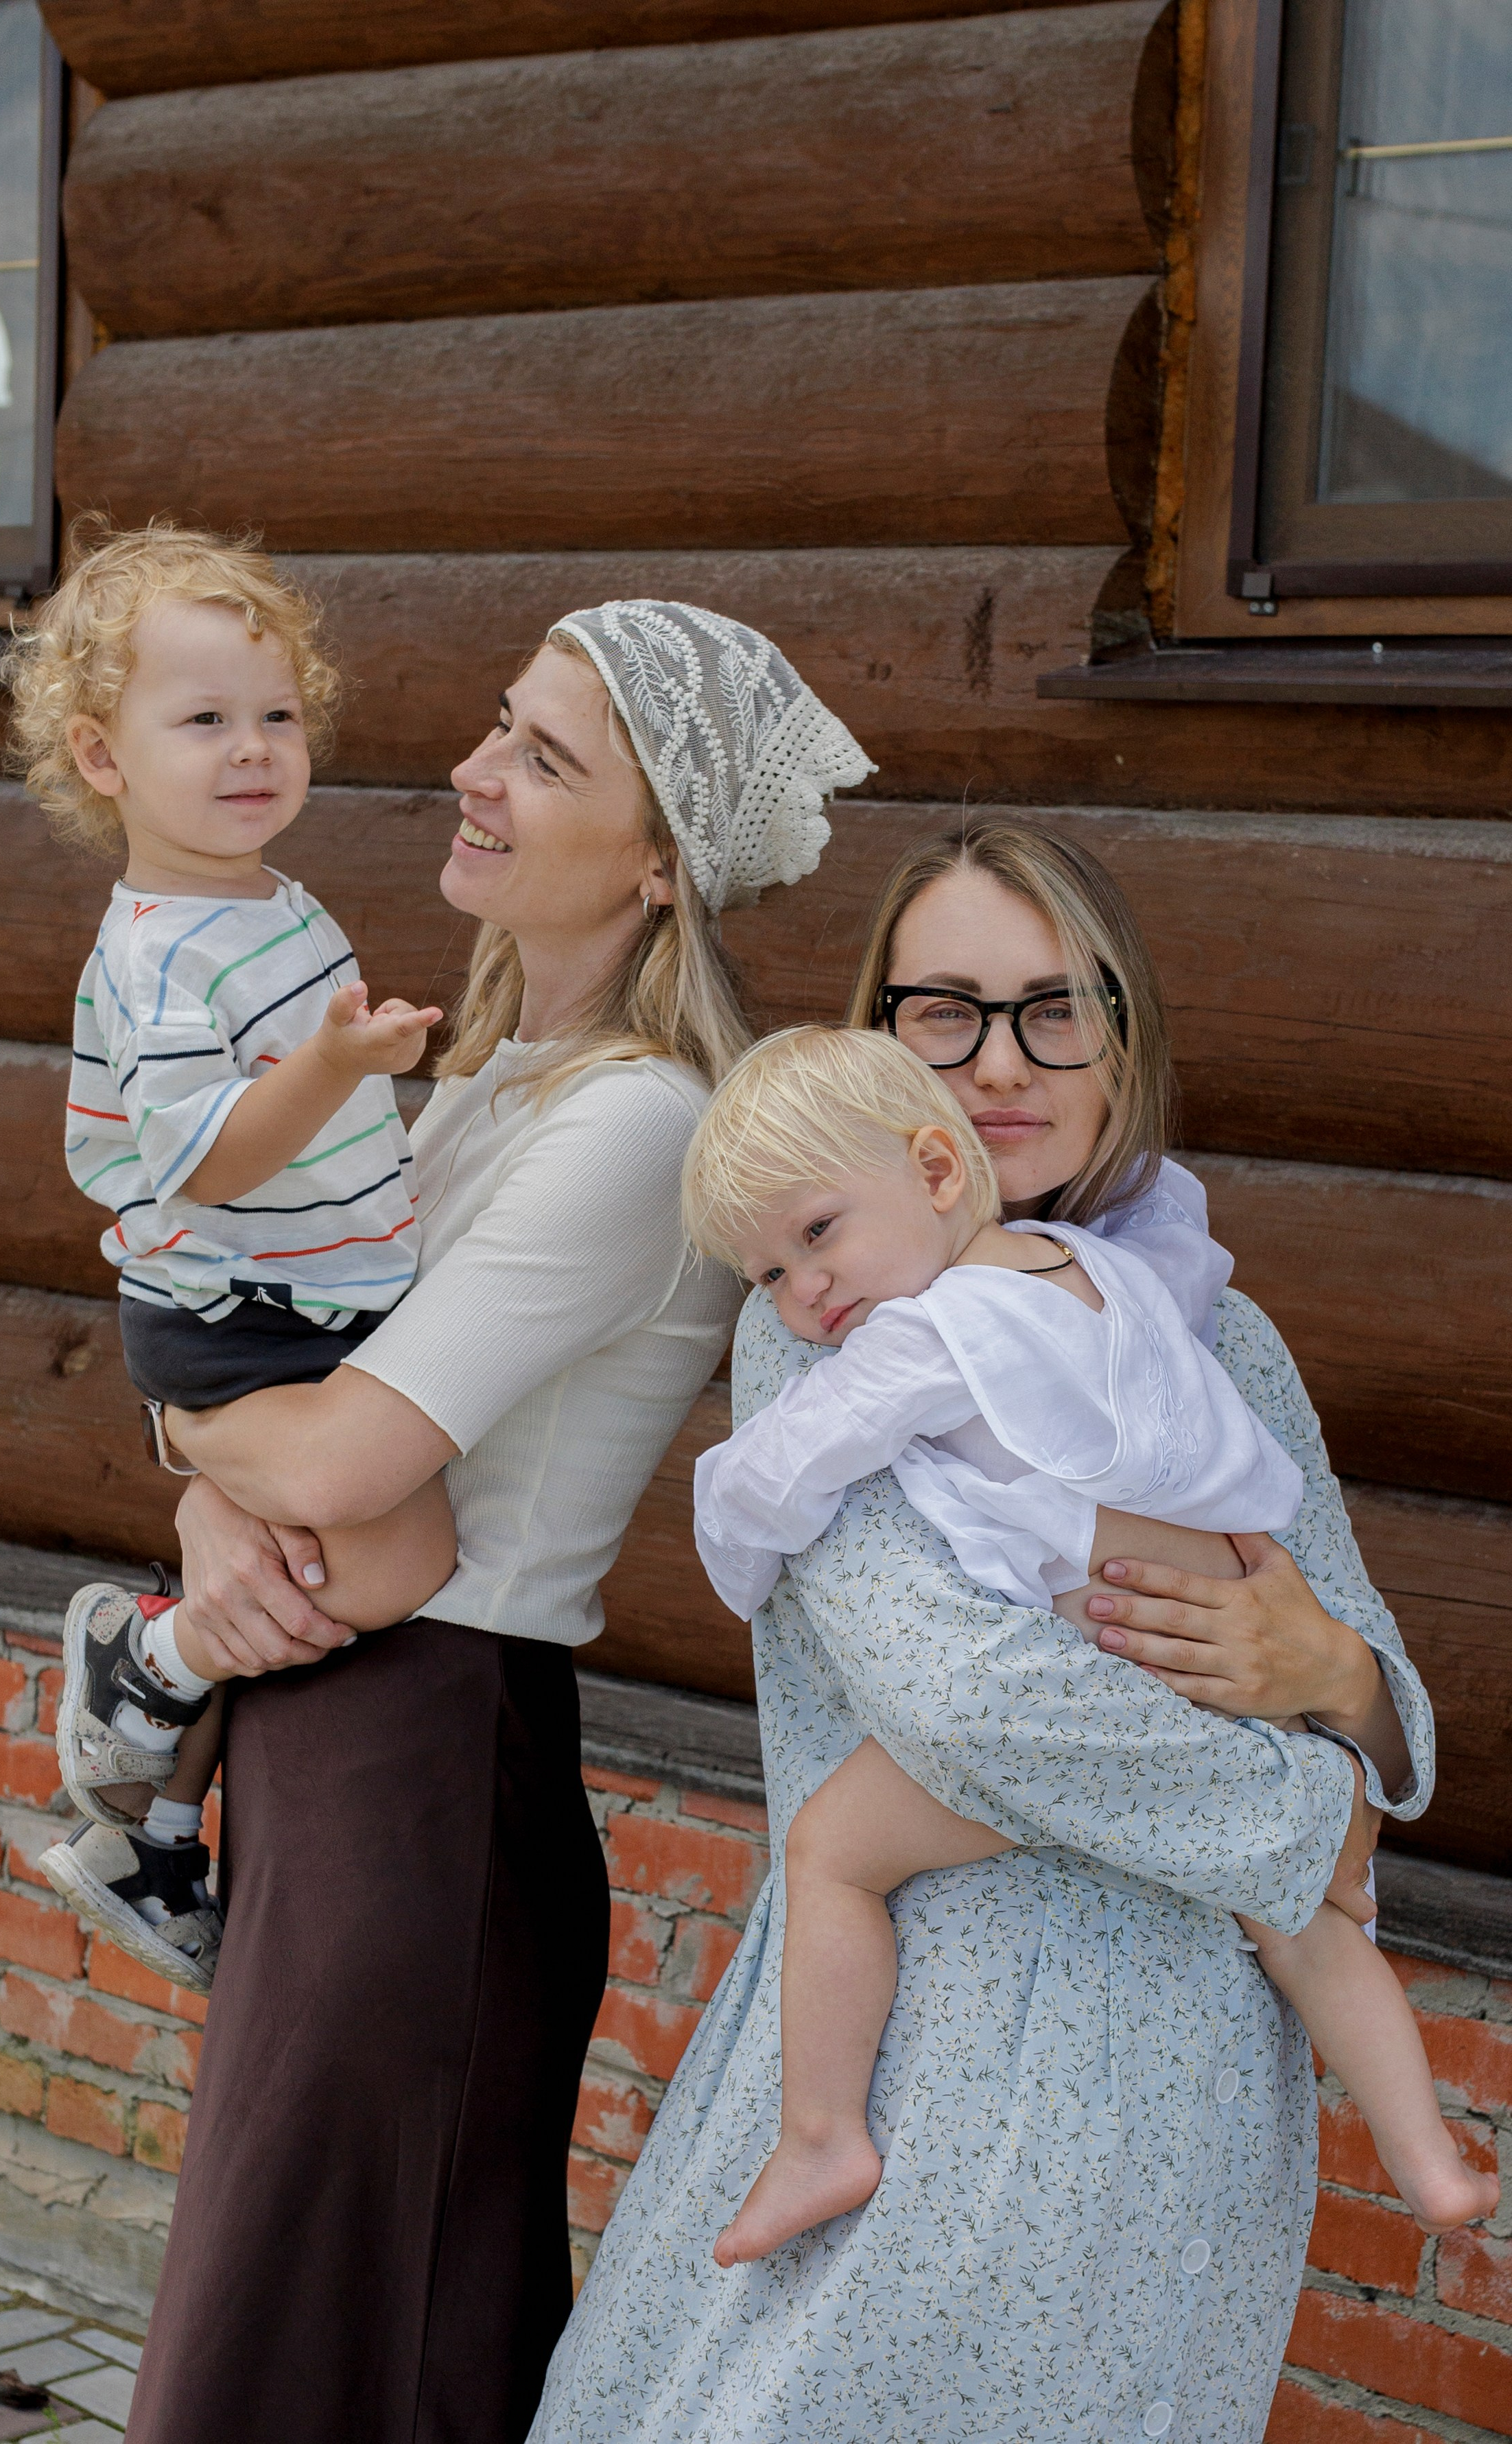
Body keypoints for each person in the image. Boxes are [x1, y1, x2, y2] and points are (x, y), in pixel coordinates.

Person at [529, 820, 1436, 2444]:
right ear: (879, 1038)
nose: (1001, 1062)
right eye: (942, 1007)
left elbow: (1374, 1681)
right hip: (934, 2052)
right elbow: (973, 1700)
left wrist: (1344, 1681)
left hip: (1196, 2083)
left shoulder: (1210, 1329)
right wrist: (1310, 1808)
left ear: (1123, 1032)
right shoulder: (836, 1314)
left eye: (1053, 1007)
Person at [106, 598, 874, 2444]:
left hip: (431, 1765)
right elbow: (214, 1374)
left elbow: (329, 1460)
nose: (475, 769)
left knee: (333, 2359)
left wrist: (226, 1469)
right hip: (331, 1728)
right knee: (292, 2333)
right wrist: (213, 1516)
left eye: (545, 755)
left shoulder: (631, 1127)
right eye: (496, 722)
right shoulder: (466, 1080)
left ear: (666, 863)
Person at [683, 1026, 1493, 2263]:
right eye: (764, 1276)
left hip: (1108, 1664)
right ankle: (1429, 2157)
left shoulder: (927, 1335)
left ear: (940, 1175)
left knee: (831, 1848)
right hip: (1237, 1649)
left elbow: (783, 1474)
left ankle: (822, 2132)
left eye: (816, 1234)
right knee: (1308, 1923)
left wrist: (731, 1541)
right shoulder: (1104, 1273)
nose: (802, 1295)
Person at [0, 522, 451, 1994]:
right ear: (104, 756)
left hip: (312, 1290)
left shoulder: (270, 897)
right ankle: (143, 1663)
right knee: (394, 1553)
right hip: (241, 1318)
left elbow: (314, 1134)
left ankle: (156, 1824)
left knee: (280, 1560)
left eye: (276, 715)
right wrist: (337, 1062)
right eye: (203, 720)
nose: (253, 749)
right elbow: (214, 1156)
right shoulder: (161, 955)